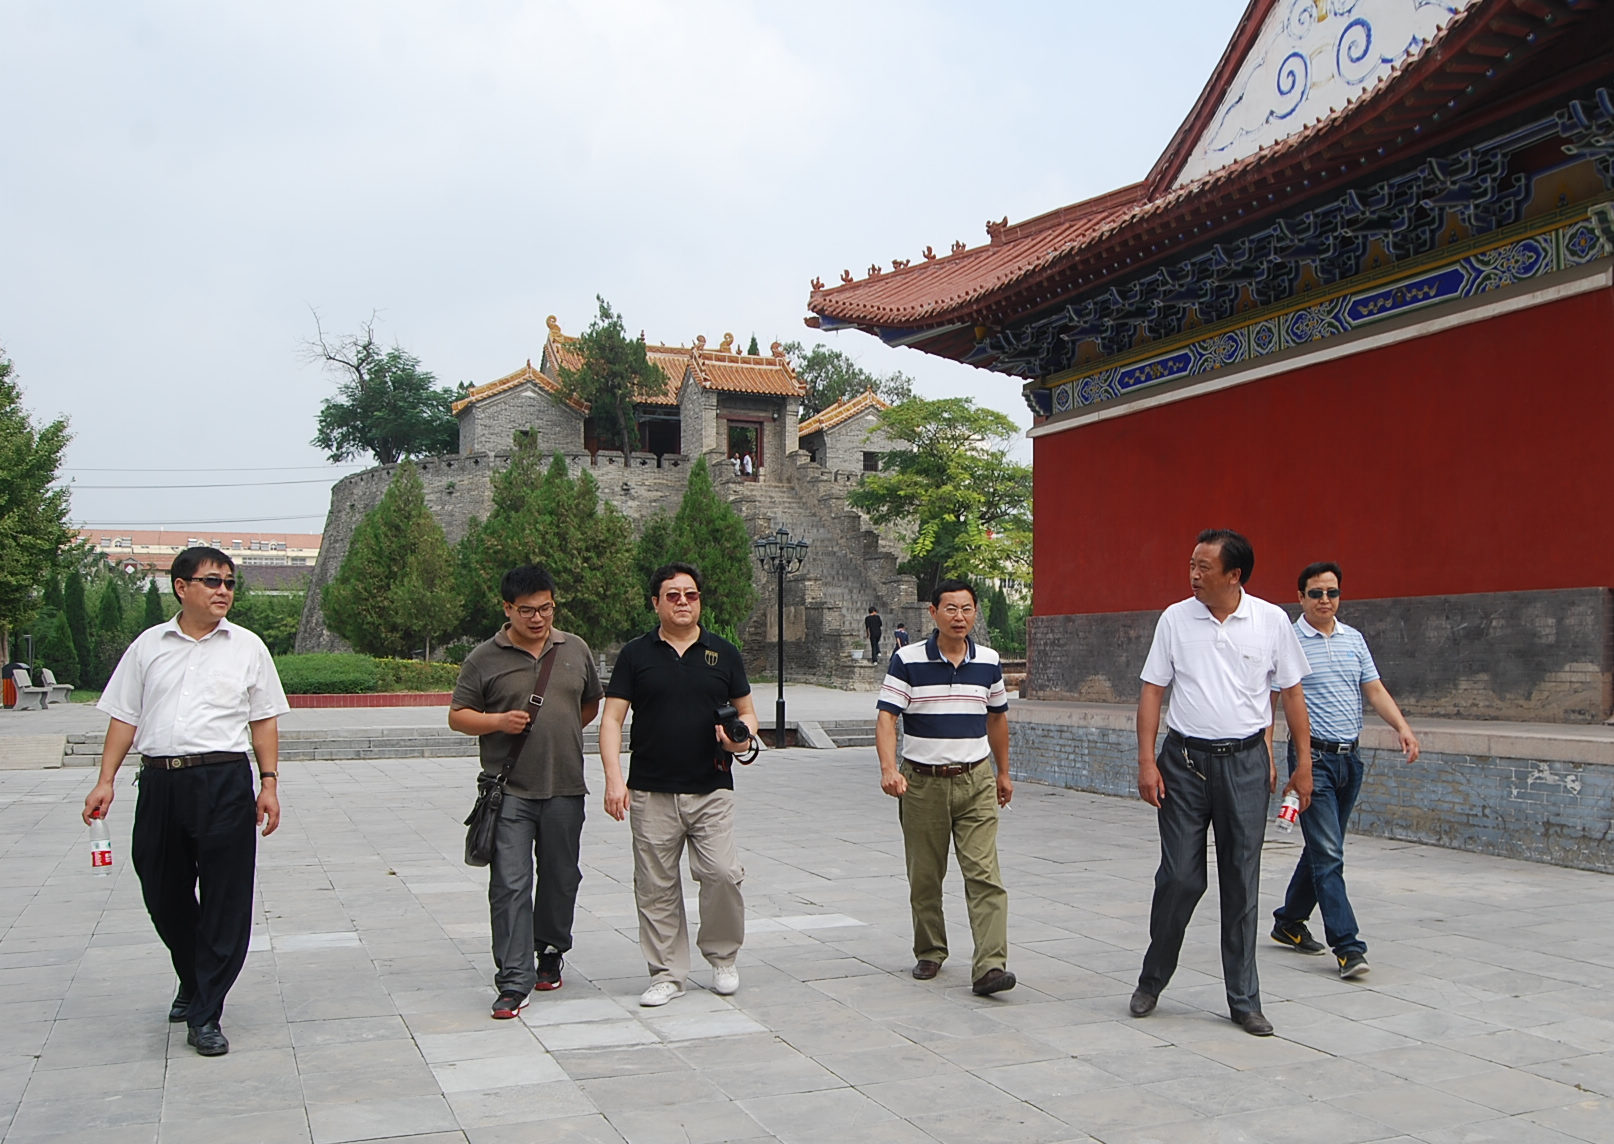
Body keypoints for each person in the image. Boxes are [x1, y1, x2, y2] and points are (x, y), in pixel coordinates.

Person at [81, 547, 288, 1057]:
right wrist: (105, 780)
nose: (223, 591)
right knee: (162, 889)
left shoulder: (248, 647)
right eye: (212, 581)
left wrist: (268, 783)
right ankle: (193, 976)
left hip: (223, 781)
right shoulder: (148, 646)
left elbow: (263, 719)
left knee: (225, 898)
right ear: (181, 587)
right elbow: (124, 716)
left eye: (230, 583)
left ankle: (206, 1012)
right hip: (161, 782)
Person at [1130, 529, 1313, 1037]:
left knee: (1241, 880)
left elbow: (1292, 694)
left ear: (1234, 575)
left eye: (1203, 567)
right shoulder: (1175, 619)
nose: (1193, 574)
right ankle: (1152, 979)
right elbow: (1152, 691)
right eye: (1191, 564)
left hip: (1246, 764)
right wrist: (1146, 761)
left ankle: (1244, 999)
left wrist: (1303, 764)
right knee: (1180, 878)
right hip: (1183, 764)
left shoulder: (1271, 621)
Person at [599, 563, 758, 1007]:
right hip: (651, 789)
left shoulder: (723, 653)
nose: (683, 602)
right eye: (673, 595)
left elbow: (747, 712)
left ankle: (723, 957)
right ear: (656, 603)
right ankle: (667, 973)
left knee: (722, 873)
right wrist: (614, 779)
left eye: (690, 594)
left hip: (712, 785)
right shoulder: (636, 654)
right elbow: (612, 720)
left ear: (699, 600)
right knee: (656, 885)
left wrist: (740, 738)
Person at [449, 565, 603, 1020]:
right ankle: (514, 980)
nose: (538, 618)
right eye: (527, 611)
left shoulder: (574, 648)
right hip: (509, 791)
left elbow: (590, 703)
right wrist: (497, 722)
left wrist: (561, 730)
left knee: (561, 876)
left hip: (565, 786)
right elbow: (458, 716)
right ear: (507, 609)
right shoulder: (484, 658)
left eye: (546, 608)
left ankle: (550, 949)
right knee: (510, 884)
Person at [1269, 562, 1419, 980]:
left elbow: (1374, 689)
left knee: (1323, 848)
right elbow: (1271, 702)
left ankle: (1289, 921)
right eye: (1316, 593)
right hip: (1311, 760)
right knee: (1330, 853)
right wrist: (1267, 754)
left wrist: (1402, 727)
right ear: (1300, 597)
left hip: (1350, 760)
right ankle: (1348, 947)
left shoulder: (1353, 639)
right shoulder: (1288, 641)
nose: (1325, 600)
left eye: (1332, 593)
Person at [876, 578, 1017, 996]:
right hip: (922, 783)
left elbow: (997, 718)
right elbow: (887, 718)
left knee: (985, 874)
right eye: (951, 609)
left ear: (975, 613)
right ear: (933, 612)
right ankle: (930, 949)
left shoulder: (988, 661)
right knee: (925, 875)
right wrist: (889, 768)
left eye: (967, 608)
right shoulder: (907, 660)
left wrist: (1003, 772)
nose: (959, 617)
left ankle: (990, 966)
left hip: (976, 781)